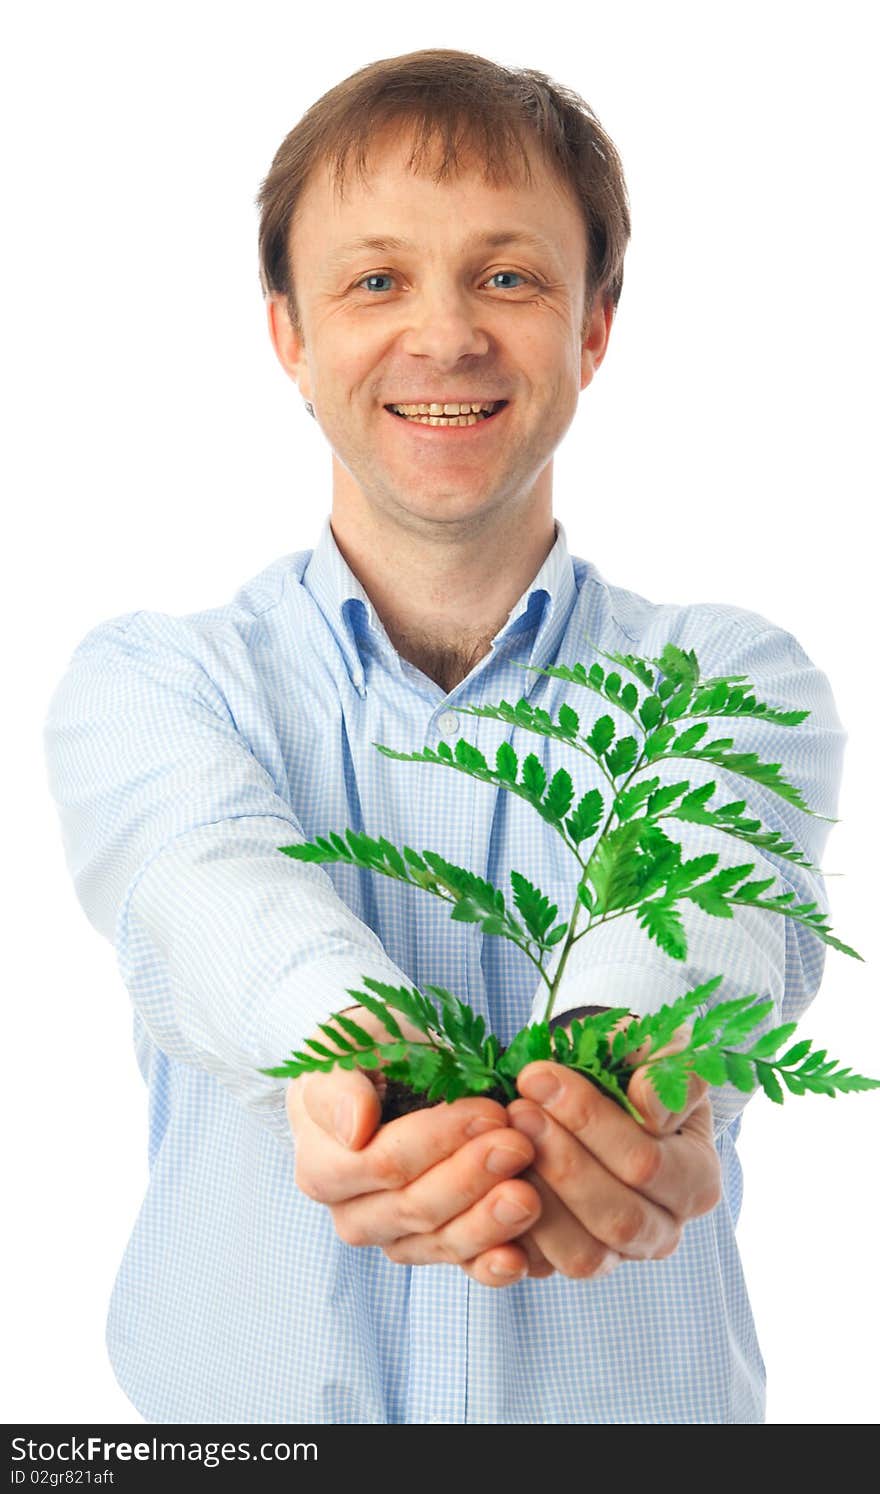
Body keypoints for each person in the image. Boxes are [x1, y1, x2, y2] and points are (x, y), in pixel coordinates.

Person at [43, 48, 846, 1425]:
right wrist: (355, 1054)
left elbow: (718, 905)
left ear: (595, 328)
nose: (445, 334)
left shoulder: (727, 673)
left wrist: (619, 1054)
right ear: (288, 334)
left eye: (509, 277)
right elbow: (201, 885)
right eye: (375, 281)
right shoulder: (154, 682)